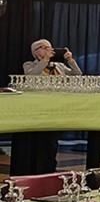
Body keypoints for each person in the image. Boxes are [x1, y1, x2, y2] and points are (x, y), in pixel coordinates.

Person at [13, 39, 81, 174]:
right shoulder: (29, 65)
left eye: (50, 48)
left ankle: (49, 170)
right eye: (45, 48)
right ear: (36, 52)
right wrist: (44, 60)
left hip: (56, 109)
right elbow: (31, 77)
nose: (50, 50)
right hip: (37, 110)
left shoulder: (58, 66)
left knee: (51, 143)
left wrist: (70, 60)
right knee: (38, 144)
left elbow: (77, 75)